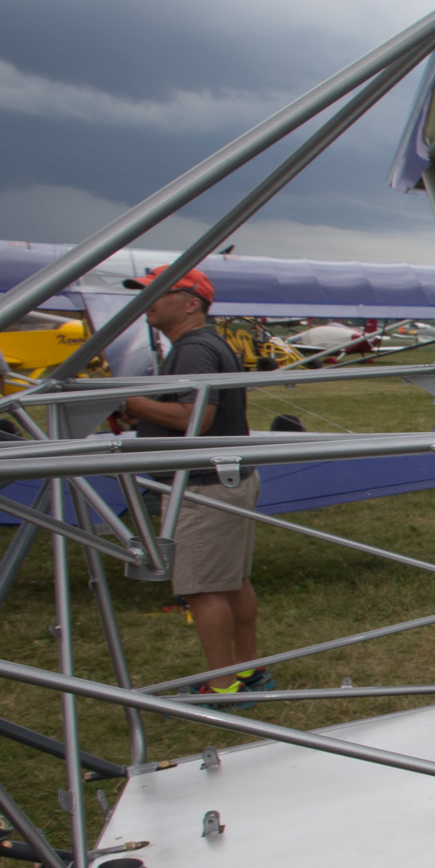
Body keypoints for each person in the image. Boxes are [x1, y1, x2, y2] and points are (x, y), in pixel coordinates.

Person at [118, 265, 271, 702]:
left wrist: (132, 403)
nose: (147, 302)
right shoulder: (205, 345)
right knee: (231, 580)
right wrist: (148, 409)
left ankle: (222, 686)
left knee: (202, 588)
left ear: (191, 303)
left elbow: (196, 418)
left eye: (158, 293)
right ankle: (248, 669)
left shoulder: (193, 349)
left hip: (203, 484)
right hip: (227, 477)